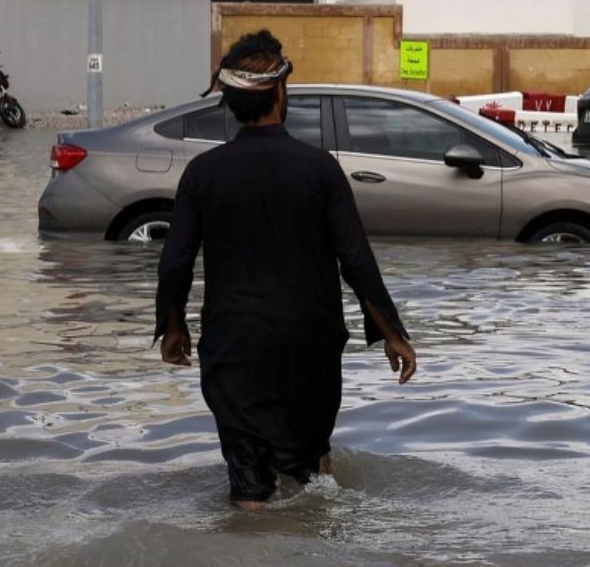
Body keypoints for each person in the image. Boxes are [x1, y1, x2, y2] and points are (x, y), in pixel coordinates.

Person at [155, 30, 417, 510]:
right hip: (309, 347)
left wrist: (173, 328)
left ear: (232, 103)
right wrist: (392, 333)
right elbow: (355, 259)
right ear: (280, 93)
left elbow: (174, 262)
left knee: (249, 489)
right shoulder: (319, 169)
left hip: (234, 347)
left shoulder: (202, 174)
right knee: (312, 471)